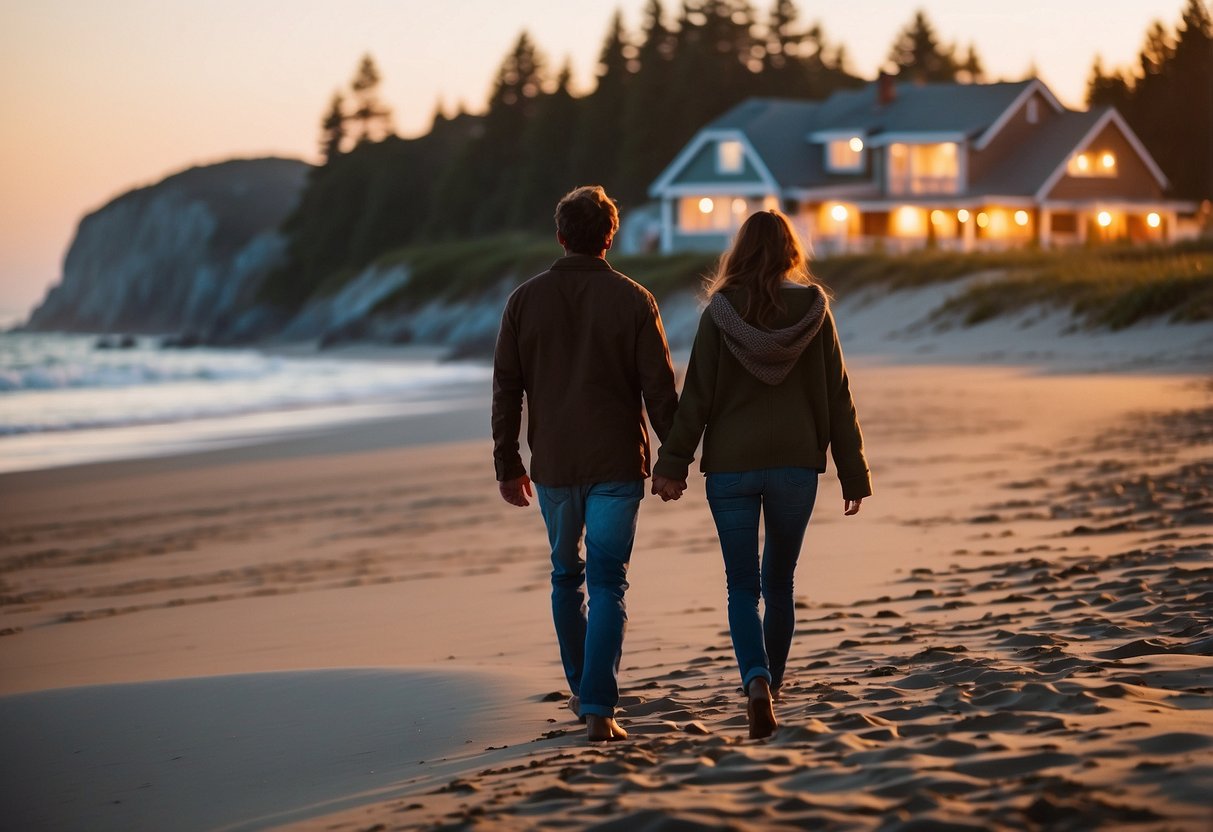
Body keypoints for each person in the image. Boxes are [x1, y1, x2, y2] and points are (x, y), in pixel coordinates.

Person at [651, 209, 871, 740]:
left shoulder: (719, 312)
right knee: (780, 581)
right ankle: (771, 684)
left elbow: (697, 396)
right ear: (791, 251)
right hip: (796, 464)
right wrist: (852, 472)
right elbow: (838, 396)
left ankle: (754, 679)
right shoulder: (816, 311)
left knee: (741, 586)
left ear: (741, 251)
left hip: (731, 468)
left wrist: (673, 464)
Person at [492, 185, 679, 743]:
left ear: (560, 236)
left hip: (552, 464)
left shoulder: (524, 300)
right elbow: (659, 389)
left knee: (565, 576)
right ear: (609, 237)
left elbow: (507, 389)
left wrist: (508, 463)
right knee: (608, 583)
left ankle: (583, 690)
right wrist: (676, 455)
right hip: (617, 462)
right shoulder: (634, 299)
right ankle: (597, 704)